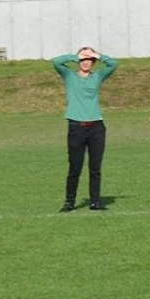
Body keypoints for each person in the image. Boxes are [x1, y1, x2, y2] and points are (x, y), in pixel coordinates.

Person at [52, 46, 119, 211]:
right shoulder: (69, 76)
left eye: (89, 59)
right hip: (76, 127)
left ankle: (95, 201)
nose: (86, 62)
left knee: (95, 167)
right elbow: (56, 62)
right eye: (83, 59)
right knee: (75, 166)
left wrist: (98, 55)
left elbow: (113, 64)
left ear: (93, 62)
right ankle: (69, 201)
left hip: (96, 127)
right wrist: (76, 56)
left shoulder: (97, 76)